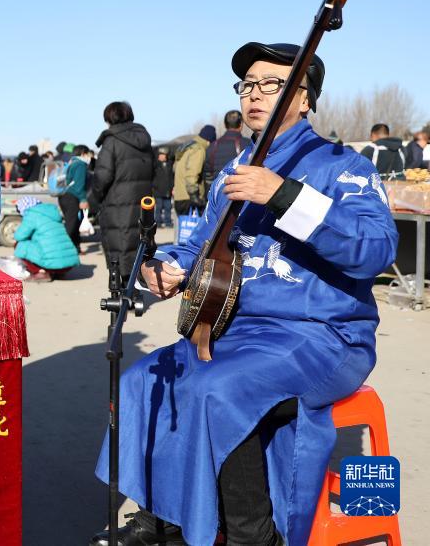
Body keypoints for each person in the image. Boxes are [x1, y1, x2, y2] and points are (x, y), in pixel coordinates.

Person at [91, 42, 397, 546]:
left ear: (305, 98)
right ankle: (165, 519)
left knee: (218, 389)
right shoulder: (234, 173)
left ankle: (252, 536)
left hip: (321, 336)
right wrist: (165, 269)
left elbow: (377, 249)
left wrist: (282, 195)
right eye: (248, 85)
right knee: (143, 379)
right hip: (236, 331)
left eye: (271, 84)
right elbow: (199, 245)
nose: (254, 94)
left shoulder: (342, 165)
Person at [87, 101, 154, 283]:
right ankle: (134, 289)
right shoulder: (144, 140)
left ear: (109, 118)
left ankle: (122, 293)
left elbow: (102, 176)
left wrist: (93, 200)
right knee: (137, 249)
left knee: (119, 255)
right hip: (141, 205)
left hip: (116, 206)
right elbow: (154, 171)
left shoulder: (112, 141)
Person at [12, 196, 78, 282]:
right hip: (68, 264)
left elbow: (19, 235)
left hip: (53, 264)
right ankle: (57, 273)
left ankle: (41, 272)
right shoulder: (52, 213)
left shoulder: (32, 214)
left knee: (19, 245)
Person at [172, 123, 216, 215]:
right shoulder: (199, 149)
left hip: (180, 196)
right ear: (208, 141)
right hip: (189, 198)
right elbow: (191, 174)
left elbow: (175, 168)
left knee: (183, 224)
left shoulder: (187, 147)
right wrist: (195, 197)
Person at [203, 110, 246, 196]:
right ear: (241, 124)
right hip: (240, 194)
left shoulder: (212, 146)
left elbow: (208, 175)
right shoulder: (247, 145)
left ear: (225, 125)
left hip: (217, 194)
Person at [57, 144, 90, 248]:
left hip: (63, 195)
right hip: (72, 196)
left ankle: (75, 247)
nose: (89, 157)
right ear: (83, 153)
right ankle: (62, 247)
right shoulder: (80, 164)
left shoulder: (71, 162)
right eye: (88, 154)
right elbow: (79, 185)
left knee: (73, 223)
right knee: (71, 225)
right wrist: (83, 199)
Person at [152, 147, 175, 227]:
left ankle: (168, 222)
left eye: (164, 155)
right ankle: (158, 222)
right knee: (159, 207)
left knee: (168, 207)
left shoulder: (169, 164)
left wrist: (173, 187)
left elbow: (172, 156)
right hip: (158, 191)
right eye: (161, 155)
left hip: (167, 191)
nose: (163, 156)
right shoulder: (156, 164)